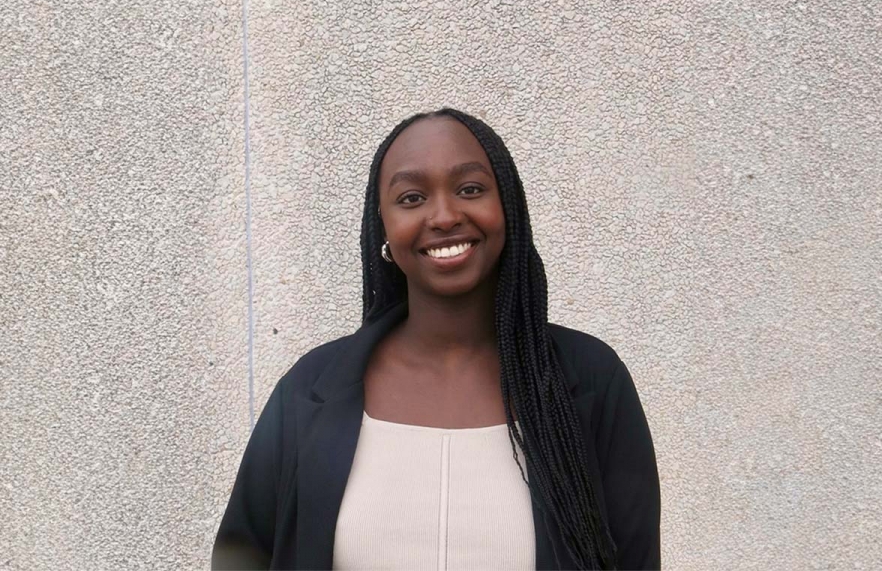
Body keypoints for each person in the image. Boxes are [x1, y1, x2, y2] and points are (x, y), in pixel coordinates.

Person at [212, 109, 660, 570]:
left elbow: (636, 559)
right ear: (382, 225)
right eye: (411, 197)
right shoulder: (310, 390)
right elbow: (240, 557)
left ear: (507, 205)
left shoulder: (590, 382)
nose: (444, 216)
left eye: (470, 189)